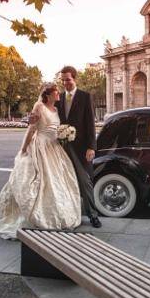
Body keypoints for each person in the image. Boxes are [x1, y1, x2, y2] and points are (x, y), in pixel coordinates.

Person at [0, 83, 82, 240]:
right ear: (48, 95)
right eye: (56, 93)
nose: (58, 95)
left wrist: (64, 135)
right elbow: (32, 128)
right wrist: (24, 148)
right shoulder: (39, 106)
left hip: (54, 146)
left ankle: (59, 213)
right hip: (40, 145)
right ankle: (35, 216)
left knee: (58, 179)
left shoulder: (56, 110)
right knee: (38, 179)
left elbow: (55, 127)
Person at [57, 66, 102, 228]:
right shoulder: (59, 98)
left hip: (82, 148)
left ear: (75, 79)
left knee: (85, 181)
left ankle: (93, 216)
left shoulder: (85, 96)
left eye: (68, 79)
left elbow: (90, 123)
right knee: (65, 182)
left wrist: (91, 147)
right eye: (62, 80)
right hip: (61, 147)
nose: (65, 83)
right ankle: (69, 216)